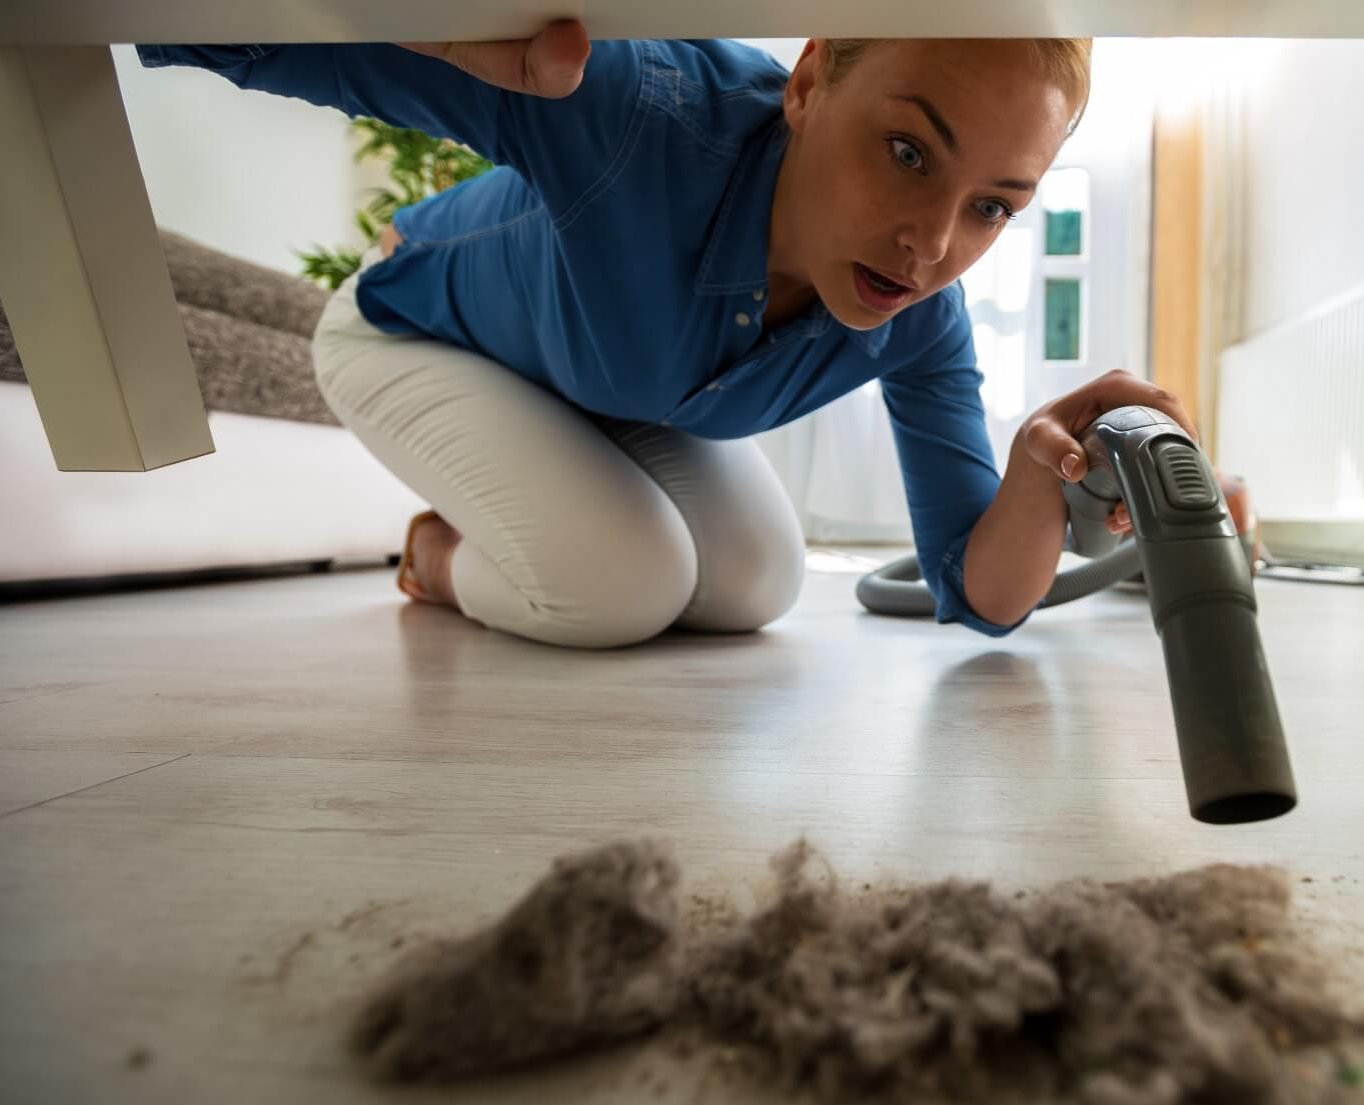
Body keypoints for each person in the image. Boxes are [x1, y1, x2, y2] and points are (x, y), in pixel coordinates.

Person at [139, 25, 1248, 648]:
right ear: (811, 80)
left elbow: (978, 592)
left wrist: (1041, 472)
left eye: (992, 206)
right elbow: (275, 39)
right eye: (909, 153)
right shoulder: (633, 108)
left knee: (758, 581)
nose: (929, 247)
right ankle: (436, 558)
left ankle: (529, 514)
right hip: (411, 333)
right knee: (619, 585)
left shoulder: (921, 323)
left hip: (601, 398)